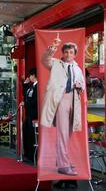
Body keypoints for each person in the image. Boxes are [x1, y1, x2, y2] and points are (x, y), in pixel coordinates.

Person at [41, 40, 85, 177]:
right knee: (62, 133)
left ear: (75, 54)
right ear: (63, 53)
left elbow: (82, 85)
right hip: (61, 99)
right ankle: (63, 165)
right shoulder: (55, 63)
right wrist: (52, 48)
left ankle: (60, 160)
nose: (68, 54)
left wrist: (80, 85)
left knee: (69, 132)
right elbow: (45, 59)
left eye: (71, 52)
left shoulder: (77, 68)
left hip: (74, 99)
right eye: (66, 52)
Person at [22, 68, 38, 162]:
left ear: (34, 75)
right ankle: (27, 154)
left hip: (34, 114)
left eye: (30, 75)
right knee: (26, 132)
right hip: (29, 113)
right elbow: (26, 95)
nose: (29, 77)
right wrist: (25, 84)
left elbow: (36, 101)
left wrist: (26, 104)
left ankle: (32, 155)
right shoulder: (31, 86)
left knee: (31, 135)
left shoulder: (38, 87)